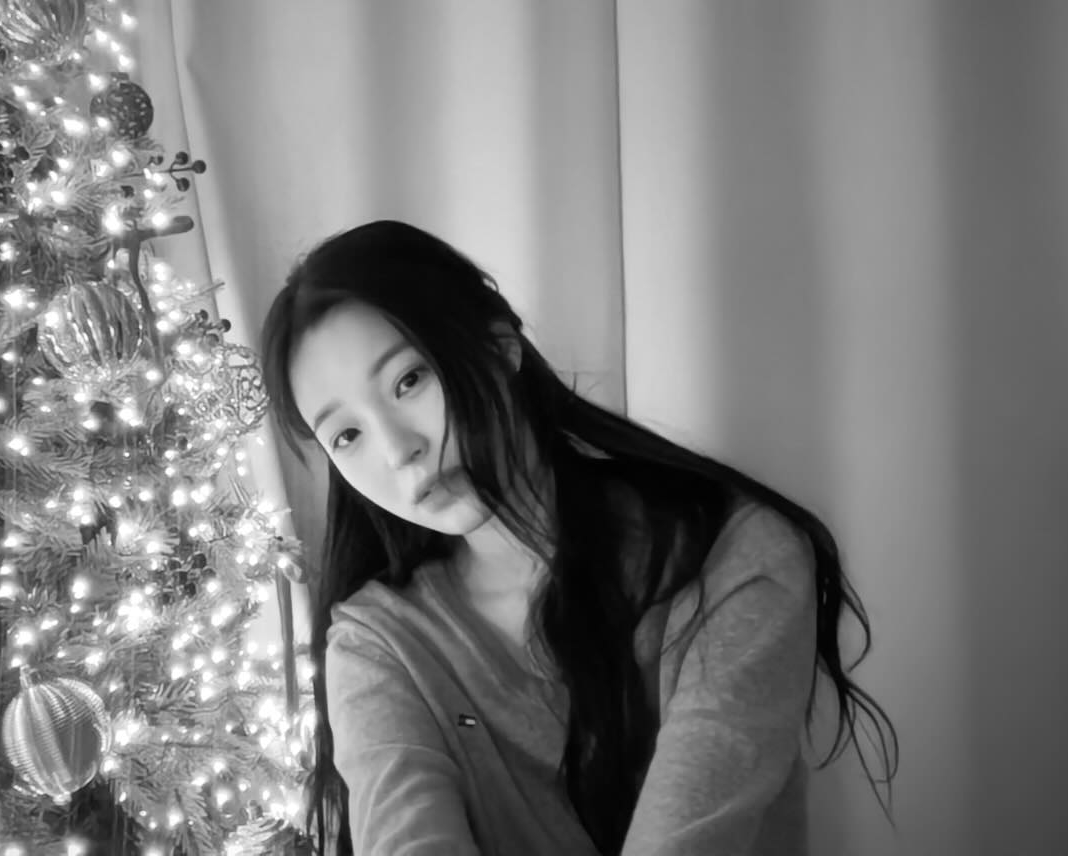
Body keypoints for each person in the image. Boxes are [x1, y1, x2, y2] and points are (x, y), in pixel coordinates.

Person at [259, 220, 897, 856]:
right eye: (347, 436)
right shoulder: (378, 644)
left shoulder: (734, 556)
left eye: (409, 381)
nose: (399, 451)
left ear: (499, 347)